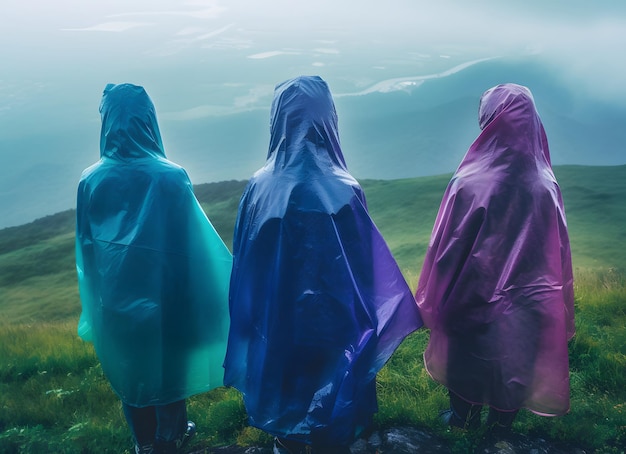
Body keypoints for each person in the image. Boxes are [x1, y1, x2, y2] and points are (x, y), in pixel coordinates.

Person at [223, 76, 423, 453]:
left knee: (285, 393)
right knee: (331, 396)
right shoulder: (345, 188)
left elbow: (246, 262)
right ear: (328, 119)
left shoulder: (259, 187)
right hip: (334, 323)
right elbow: (365, 270)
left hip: (277, 321)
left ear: (277, 119)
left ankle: (287, 446)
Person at [75, 83, 233, 454]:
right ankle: (170, 438)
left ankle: (142, 442)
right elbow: (194, 245)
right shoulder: (171, 176)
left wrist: (95, 302)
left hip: (114, 302)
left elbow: (87, 249)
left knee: (130, 368)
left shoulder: (91, 180)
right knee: (170, 364)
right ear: (149, 119)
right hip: (169, 296)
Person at [415, 83, 575, 432]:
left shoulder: (469, 181)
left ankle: (462, 419)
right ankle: (501, 428)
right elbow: (559, 252)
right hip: (529, 299)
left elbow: (444, 247)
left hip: (471, 294)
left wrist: (434, 295)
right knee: (517, 359)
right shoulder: (546, 184)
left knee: (467, 355)